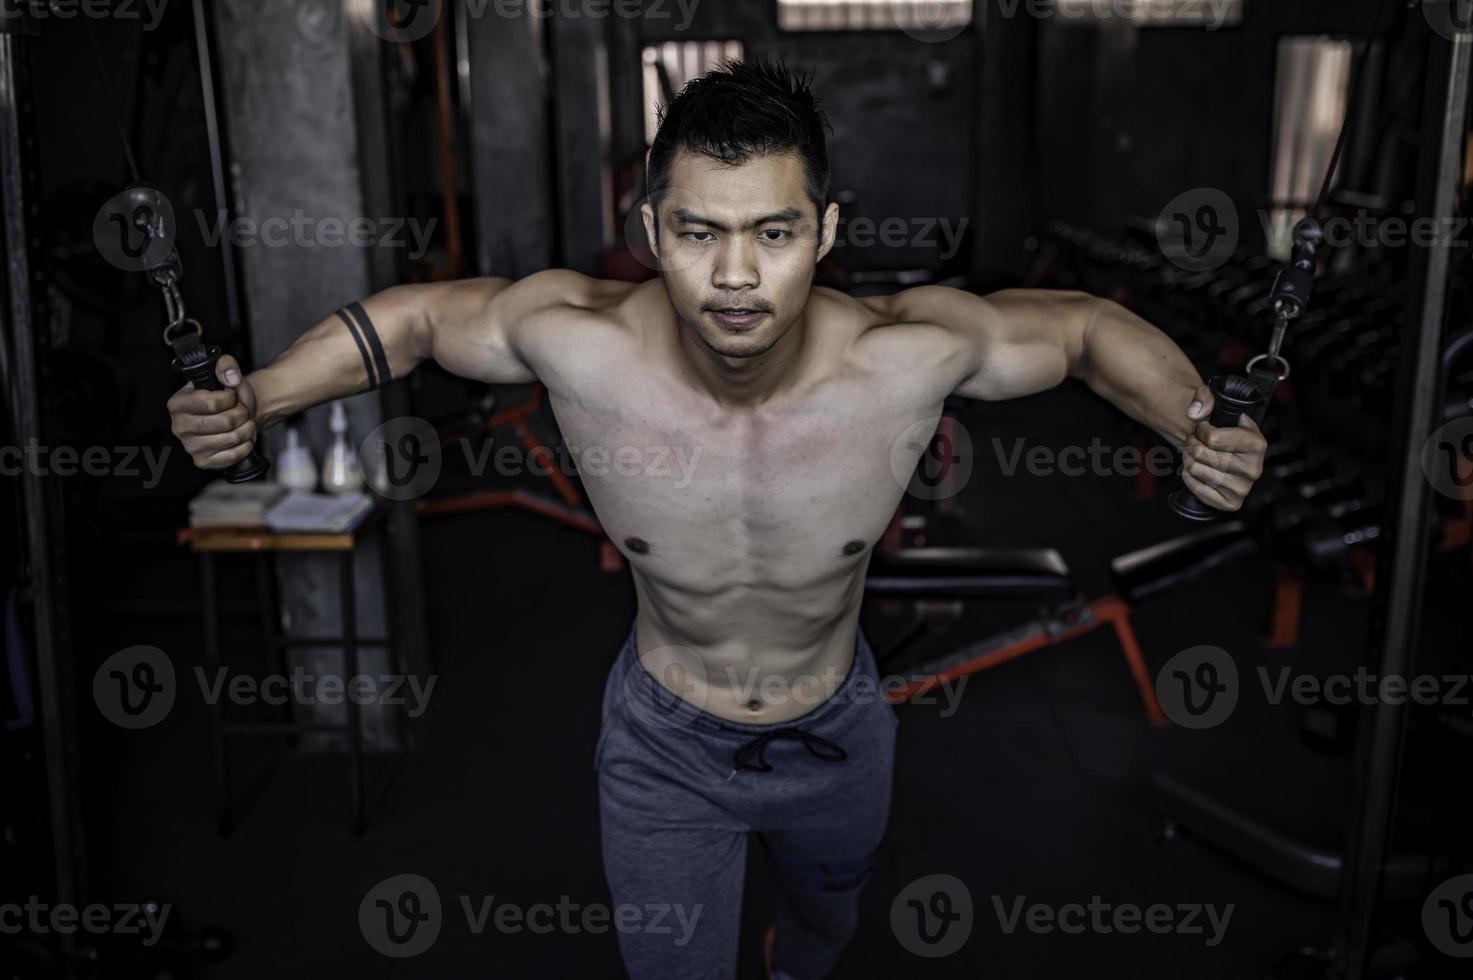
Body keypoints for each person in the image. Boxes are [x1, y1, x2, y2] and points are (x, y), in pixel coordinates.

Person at [167, 60, 1266, 980]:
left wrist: (1199, 421)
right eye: (698, 232)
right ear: (648, 227)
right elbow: (409, 320)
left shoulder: (904, 354)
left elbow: (1078, 329)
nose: (735, 276)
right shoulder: (576, 338)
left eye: (774, 233)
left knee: (823, 938)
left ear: (826, 228)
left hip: (838, 727)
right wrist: (256, 397)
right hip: (664, 741)